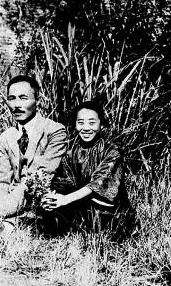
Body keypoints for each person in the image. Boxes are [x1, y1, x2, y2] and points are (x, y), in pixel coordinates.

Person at [0, 75, 68, 235]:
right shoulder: (7, 136)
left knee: (32, 191)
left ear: (38, 100)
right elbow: (0, 180)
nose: (16, 105)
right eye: (12, 98)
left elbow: (42, 177)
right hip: (10, 205)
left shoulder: (54, 131)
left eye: (23, 98)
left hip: (39, 202)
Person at [41, 98, 136, 240]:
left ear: (101, 125)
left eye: (92, 123)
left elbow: (98, 183)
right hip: (80, 209)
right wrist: (52, 198)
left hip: (109, 213)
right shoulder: (70, 153)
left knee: (107, 230)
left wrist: (65, 199)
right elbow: (65, 182)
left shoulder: (112, 152)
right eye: (81, 123)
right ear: (74, 125)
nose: (86, 128)